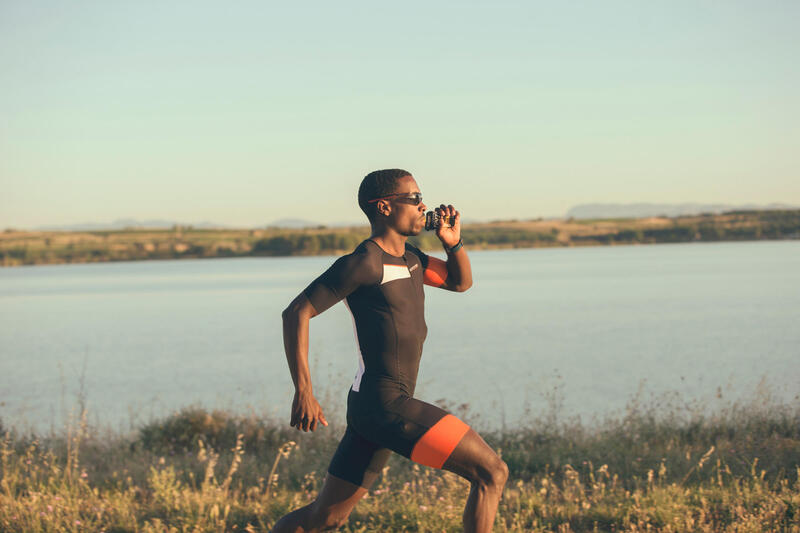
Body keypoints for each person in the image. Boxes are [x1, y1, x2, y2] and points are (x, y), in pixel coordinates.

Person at [271, 169, 508, 533]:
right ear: (383, 206)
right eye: (413, 198)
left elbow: (460, 283)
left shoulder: (411, 258)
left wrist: (453, 243)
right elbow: (296, 312)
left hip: (373, 409)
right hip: (384, 405)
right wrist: (304, 390)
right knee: (491, 471)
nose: (423, 205)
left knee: (325, 518)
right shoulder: (364, 262)